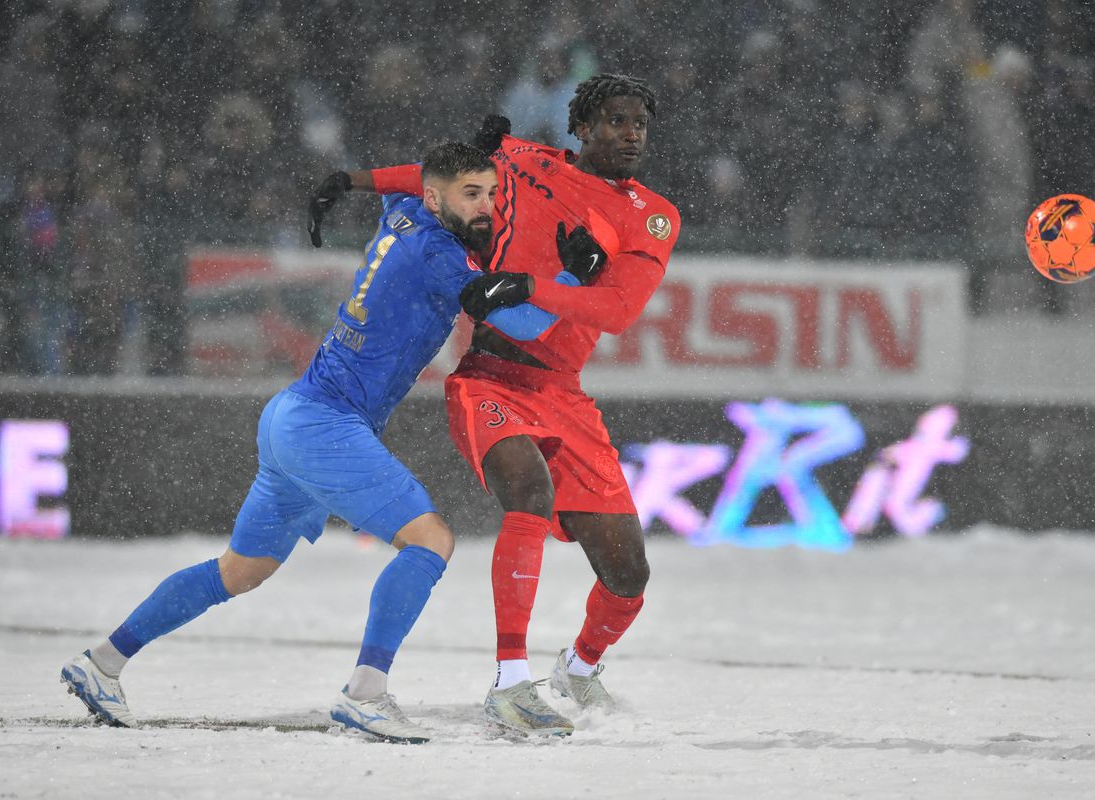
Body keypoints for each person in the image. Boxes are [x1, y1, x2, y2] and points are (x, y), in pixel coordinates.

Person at [61, 142, 605, 743]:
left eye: (492, 193)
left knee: (239, 570)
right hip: (326, 426)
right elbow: (526, 325)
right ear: (435, 196)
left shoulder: (402, 210)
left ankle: (102, 664)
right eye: (472, 194)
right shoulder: (441, 256)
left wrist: (356, 178)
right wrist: (573, 276)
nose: (488, 206)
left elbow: (404, 178)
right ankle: (365, 695)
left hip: (292, 414)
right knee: (431, 541)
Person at [308, 74, 681, 736]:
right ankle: (511, 681)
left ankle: (581, 665)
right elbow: (444, 181)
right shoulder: (523, 160)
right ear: (584, 127)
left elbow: (618, 310)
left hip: (563, 393)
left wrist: (536, 282)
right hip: (489, 375)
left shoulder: (654, 215)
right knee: (527, 496)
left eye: (640, 125)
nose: (631, 135)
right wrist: (354, 180)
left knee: (628, 573)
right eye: (616, 122)